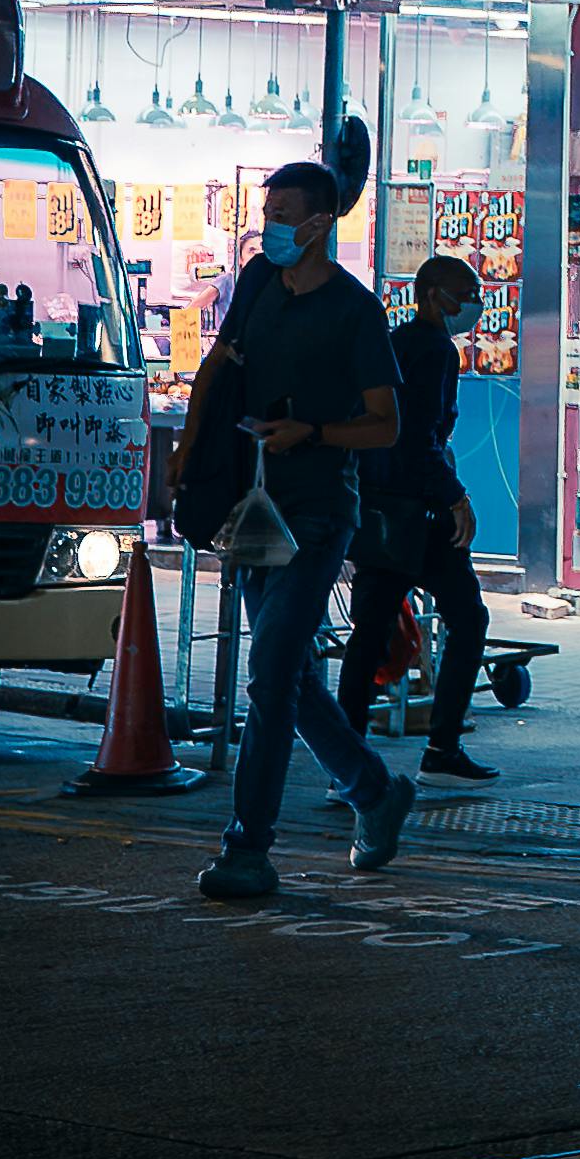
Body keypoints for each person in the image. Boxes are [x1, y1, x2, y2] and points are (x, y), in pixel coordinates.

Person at [194, 143, 413, 904]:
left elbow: (384, 425)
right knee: (280, 674)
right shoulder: (257, 282)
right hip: (251, 504)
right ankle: (374, 788)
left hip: (318, 513)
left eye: (282, 217)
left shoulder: (355, 311)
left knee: (271, 677)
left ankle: (247, 846)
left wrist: (312, 434)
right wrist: (188, 454)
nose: (268, 229)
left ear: (321, 223)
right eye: (264, 216)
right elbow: (220, 364)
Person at [340, 252, 498, 782]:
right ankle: (443, 746)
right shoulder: (435, 352)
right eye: (467, 293)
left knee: (367, 636)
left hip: (377, 506)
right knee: (468, 618)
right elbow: (421, 438)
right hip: (420, 514)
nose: (475, 304)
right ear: (434, 296)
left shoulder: (394, 344)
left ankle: (347, 757)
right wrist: (455, 497)